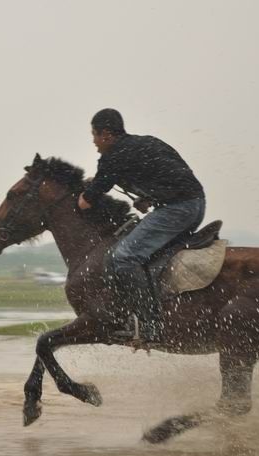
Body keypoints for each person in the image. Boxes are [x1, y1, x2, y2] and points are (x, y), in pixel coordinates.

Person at [78, 109, 206, 342]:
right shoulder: (147, 142)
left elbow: (88, 200)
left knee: (124, 256)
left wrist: (81, 197)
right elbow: (174, 175)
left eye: (94, 135)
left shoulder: (113, 155)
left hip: (178, 209)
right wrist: (151, 198)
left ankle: (150, 326)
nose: (94, 142)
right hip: (196, 205)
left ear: (106, 134)